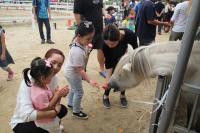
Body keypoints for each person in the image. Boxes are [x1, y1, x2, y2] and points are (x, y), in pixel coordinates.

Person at [10, 49, 69, 133]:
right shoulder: (29, 82)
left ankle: (54, 126)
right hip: (23, 120)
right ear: (44, 60)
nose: (56, 67)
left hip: (43, 109)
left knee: (63, 110)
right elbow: (26, 115)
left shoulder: (53, 78)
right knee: (45, 128)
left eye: (59, 65)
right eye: (53, 62)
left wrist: (60, 95)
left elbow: (51, 98)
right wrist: (54, 112)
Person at [64, 21, 99, 119]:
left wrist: (87, 46)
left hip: (70, 71)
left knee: (73, 89)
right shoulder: (77, 52)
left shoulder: (78, 41)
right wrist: (90, 80)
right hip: (73, 74)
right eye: (88, 38)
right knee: (79, 92)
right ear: (79, 36)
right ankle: (76, 111)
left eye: (92, 38)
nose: (90, 40)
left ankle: (71, 103)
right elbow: (80, 70)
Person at [23, 57, 67, 132]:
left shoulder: (41, 84)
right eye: (51, 76)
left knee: (56, 124)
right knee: (53, 130)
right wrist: (57, 95)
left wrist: (58, 93)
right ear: (43, 78)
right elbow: (46, 108)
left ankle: (57, 128)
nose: (52, 78)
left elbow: (49, 97)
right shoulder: (39, 94)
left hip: (48, 116)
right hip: (46, 121)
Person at [101, 24, 138, 108]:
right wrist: (107, 80)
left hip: (124, 57)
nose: (110, 46)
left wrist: (132, 62)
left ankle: (122, 95)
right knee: (111, 78)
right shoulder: (104, 45)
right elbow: (108, 62)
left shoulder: (129, 35)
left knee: (124, 76)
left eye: (112, 44)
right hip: (112, 59)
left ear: (119, 38)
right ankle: (106, 95)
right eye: (107, 43)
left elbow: (136, 49)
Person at [73, 0, 106, 78]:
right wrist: (82, 29)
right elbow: (76, 13)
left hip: (99, 30)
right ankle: (82, 71)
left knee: (101, 50)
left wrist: (105, 14)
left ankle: (102, 69)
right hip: (88, 31)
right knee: (86, 51)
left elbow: (101, 7)